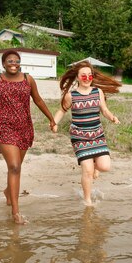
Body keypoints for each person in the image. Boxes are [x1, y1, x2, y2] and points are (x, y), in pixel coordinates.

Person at [0, 50, 56, 224]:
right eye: (10, 61)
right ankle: (16, 213)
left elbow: (38, 100)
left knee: (16, 167)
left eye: (17, 60)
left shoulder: (28, 79)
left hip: (23, 127)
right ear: (4, 64)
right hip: (2, 126)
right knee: (14, 167)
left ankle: (9, 192)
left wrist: (51, 118)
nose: (13, 63)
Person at [52, 61, 121, 206]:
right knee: (87, 170)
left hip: (97, 135)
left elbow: (104, 110)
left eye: (90, 75)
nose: (87, 78)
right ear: (77, 77)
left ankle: (96, 167)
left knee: (104, 166)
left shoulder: (98, 92)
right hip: (80, 137)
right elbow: (62, 111)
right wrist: (54, 123)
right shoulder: (71, 95)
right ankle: (87, 200)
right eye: (84, 75)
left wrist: (112, 117)